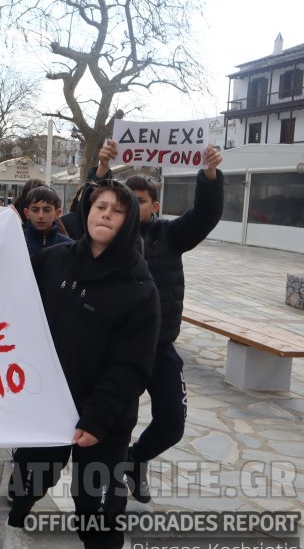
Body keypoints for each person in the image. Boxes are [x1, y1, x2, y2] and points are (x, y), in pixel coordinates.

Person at [2, 179, 159, 549]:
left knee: (100, 506)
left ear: (129, 222)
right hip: (48, 405)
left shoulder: (140, 288)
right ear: (86, 212)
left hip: (103, 420)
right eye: (99, 206)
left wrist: (97, 418)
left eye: (117, 209)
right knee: (31, 477)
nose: (105, 213)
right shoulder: (52, 260)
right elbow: (2, 289)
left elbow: (132, 365)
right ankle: (16, 524)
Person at [93, 139, 224, 503]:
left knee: (172, 423)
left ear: (156, 206)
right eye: (127, 201)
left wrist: (209, 174)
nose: (133, 206)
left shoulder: (171, 234)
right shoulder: (107, 238)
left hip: (160, 346)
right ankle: (104, 488)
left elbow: (205, 216)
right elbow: (81, 210)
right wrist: (101, 169)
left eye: (141, 200)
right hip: (115, 352)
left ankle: (136, 460)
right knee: (112, 424)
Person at [21, 185, 72, 256]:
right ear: (27, 213)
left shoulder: (69, 247)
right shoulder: (16, 244)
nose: (40, 215)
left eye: (47, 210)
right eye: (35, 210)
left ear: (57, 213)